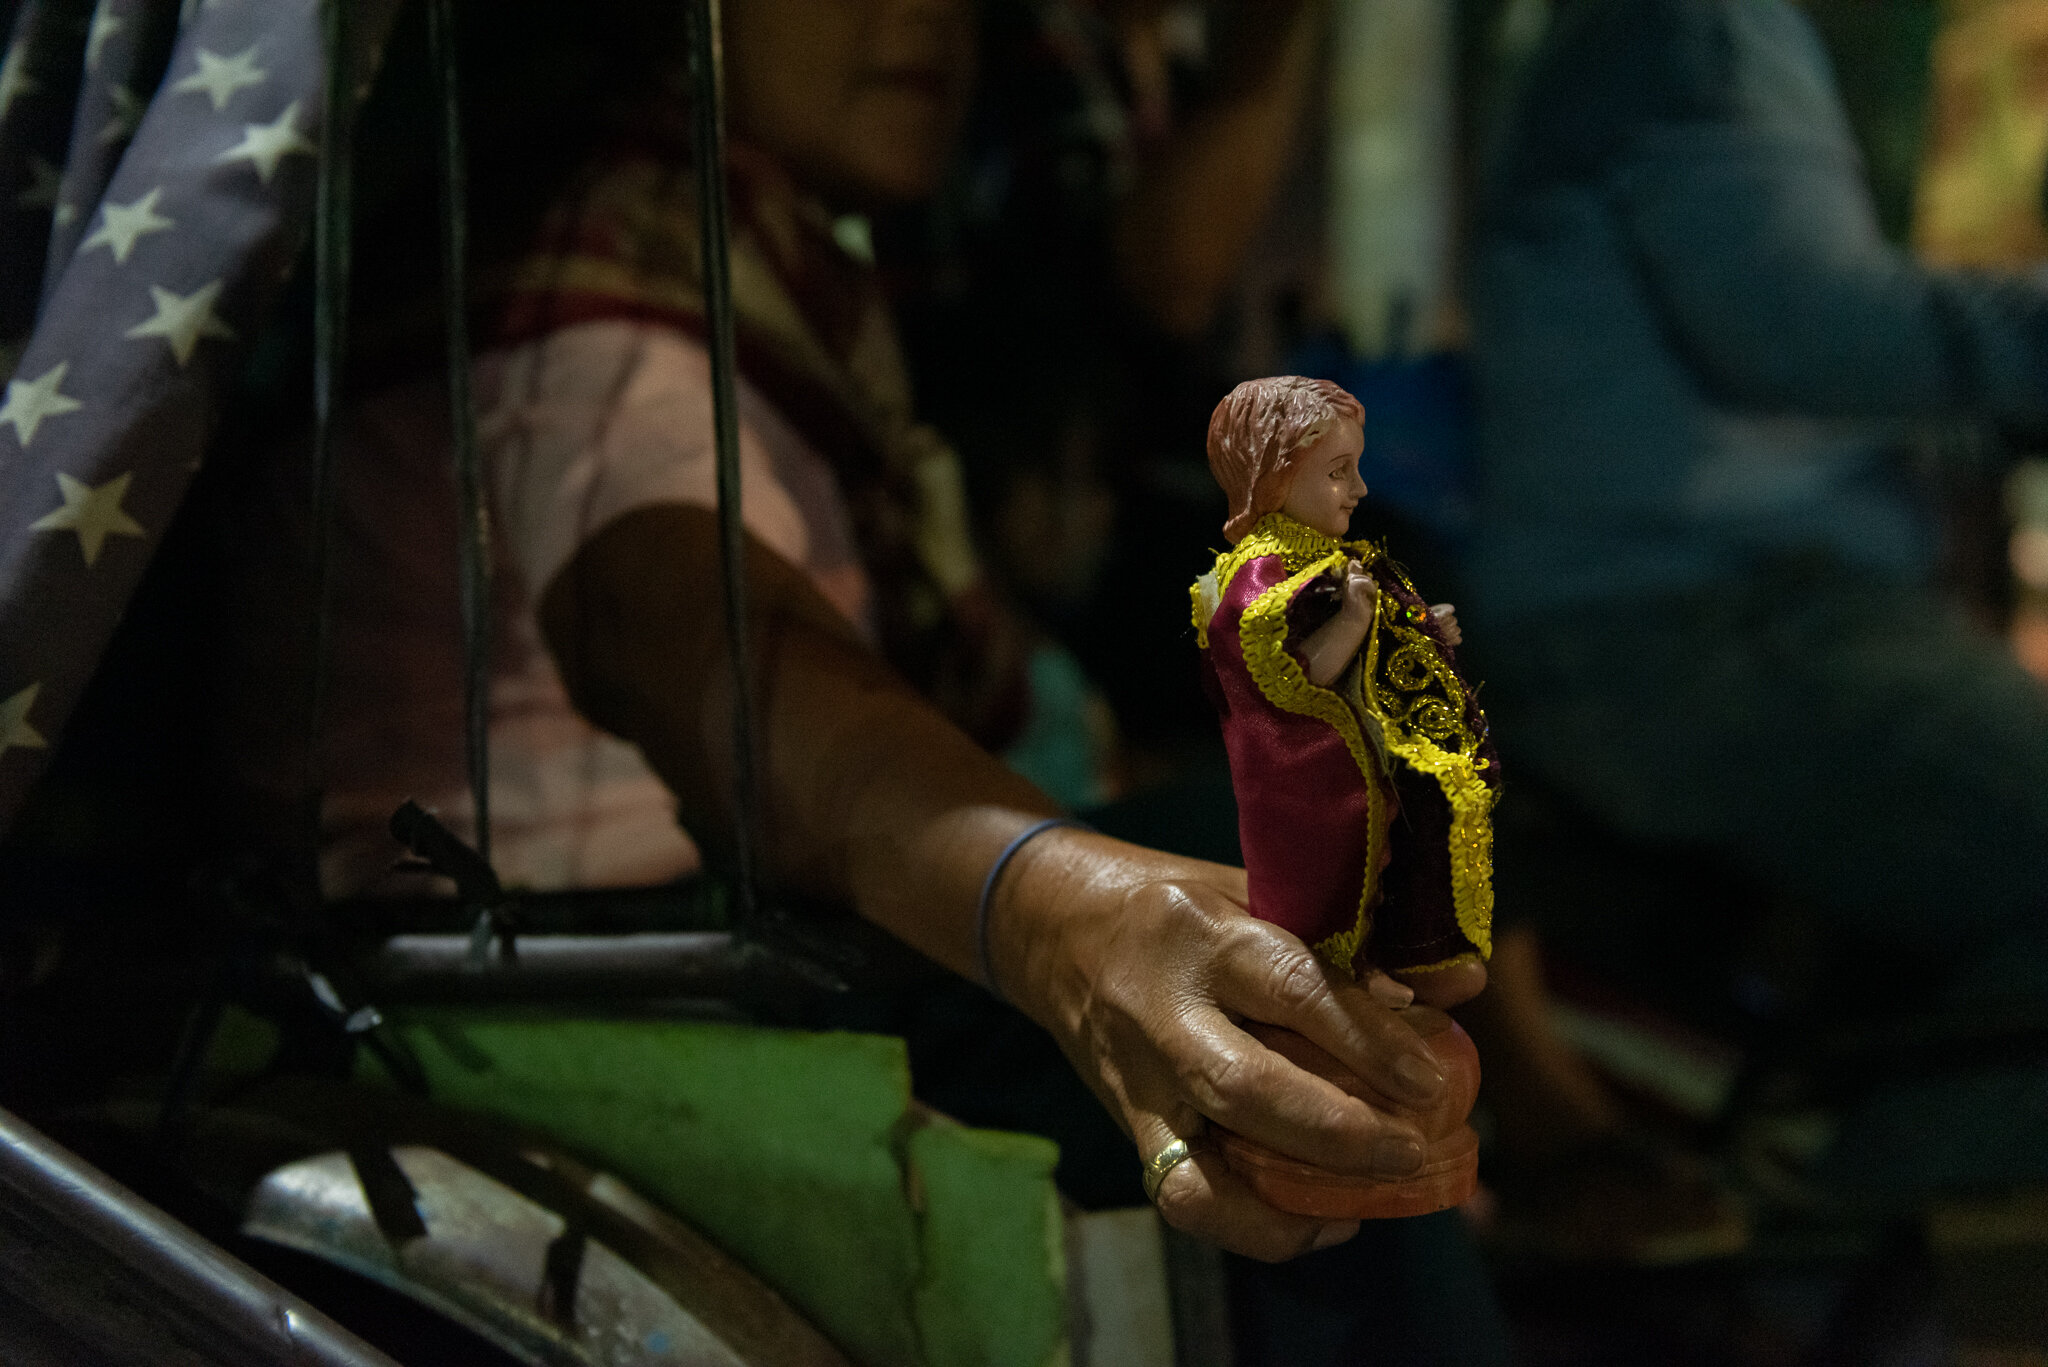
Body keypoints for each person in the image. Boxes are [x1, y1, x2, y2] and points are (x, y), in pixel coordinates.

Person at [210, 0, 1514, 1349]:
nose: (924, 20)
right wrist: (1062, 913)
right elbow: (718, 667)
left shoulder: (770, 264)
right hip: (582, 978)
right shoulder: (597, 296)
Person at [1462, 0, 2048, 1217]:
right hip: (1693, 619)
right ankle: (1812, 1302)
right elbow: (1796, 328)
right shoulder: (1696, 25)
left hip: (1691, 606)